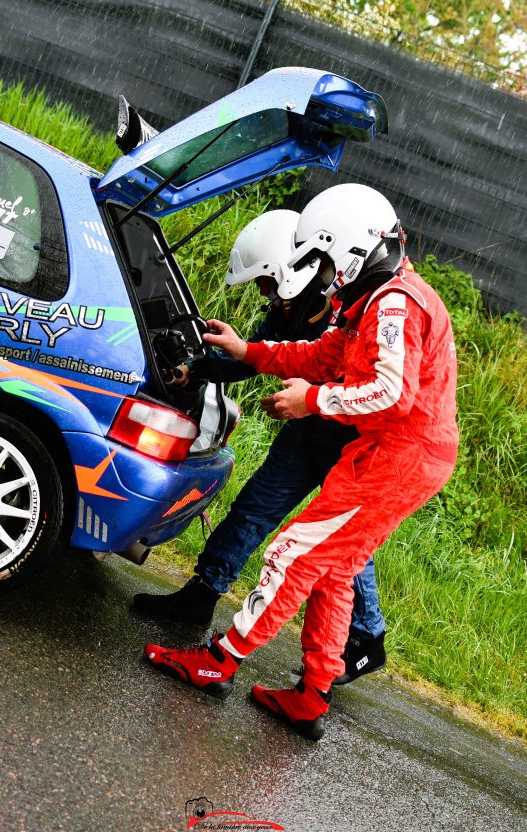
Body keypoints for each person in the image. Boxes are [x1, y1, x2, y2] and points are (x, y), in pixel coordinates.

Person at [144, 183, 458, 740]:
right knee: (335, 572)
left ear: (352, 249)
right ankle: (313, 695)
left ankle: (219, 659)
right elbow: (318, 355)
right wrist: (248, 352)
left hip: (396, 457)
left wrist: (310, 400)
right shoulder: (377, 297)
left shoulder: (393, 306)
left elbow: (392, 393)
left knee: (291, 553)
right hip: (395, 454)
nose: (325, 271)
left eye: (326, 256)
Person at [134, 208, 387, 684]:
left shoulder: (343, 307)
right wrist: (197, 368)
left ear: (294, 272)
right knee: (252, 510)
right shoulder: (287, 309)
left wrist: (307, 400)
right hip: (307, 436)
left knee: (346, 544)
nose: (266, 296)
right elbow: (257, 354)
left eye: (267, 285)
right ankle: (202, 594)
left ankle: (366, 639)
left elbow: (364, 383)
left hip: (353, 444)